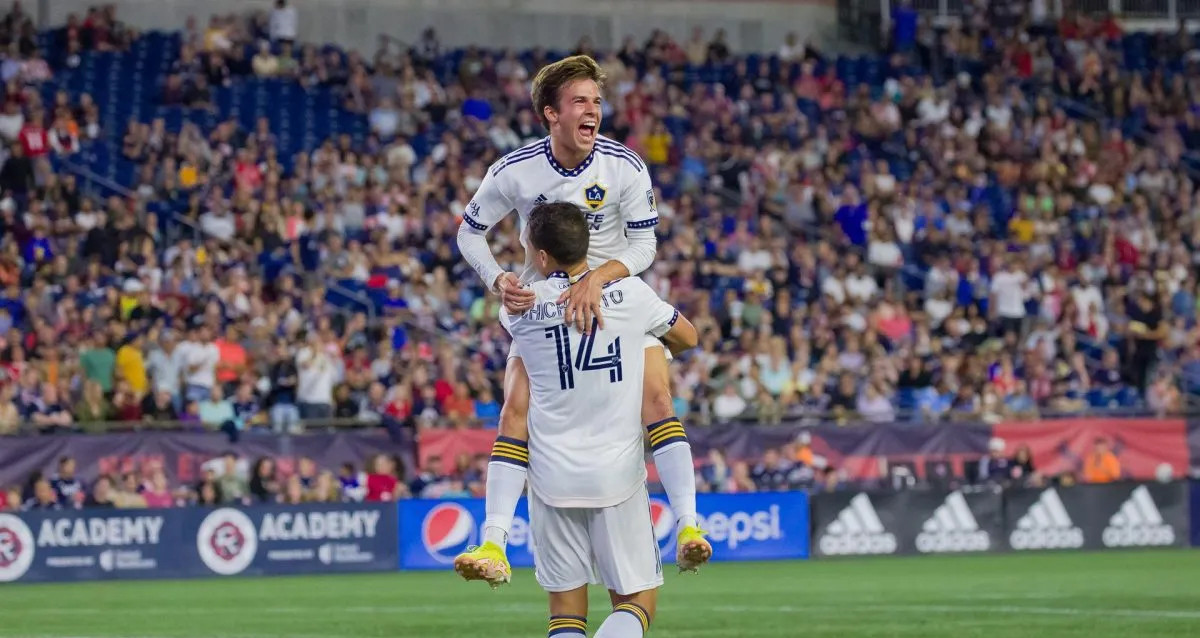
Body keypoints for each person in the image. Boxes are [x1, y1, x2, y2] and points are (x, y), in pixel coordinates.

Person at [455, 54, 708, 579]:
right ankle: (494, 545)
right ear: (551, 113)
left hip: (616, 301)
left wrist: (598, 277)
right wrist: (499, 279)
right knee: (513, 412)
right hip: (545, 306)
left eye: (596, 101)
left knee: (657, 399)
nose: (593, 110)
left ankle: (689, 525)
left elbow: (645, 245)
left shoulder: (624, 166)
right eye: (580, 102)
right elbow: (468, 232)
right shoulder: (514, 171)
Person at [455, 202, 701, 638]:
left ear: (542, 256)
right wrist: (646, 339)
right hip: (616, 478)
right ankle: (689, 523)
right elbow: (688, 336)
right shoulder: (634, 297)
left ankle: (494, 537)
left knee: (566, 615)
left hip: (551, 480)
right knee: (637, 604)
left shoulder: (519, 311)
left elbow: (515, 405)